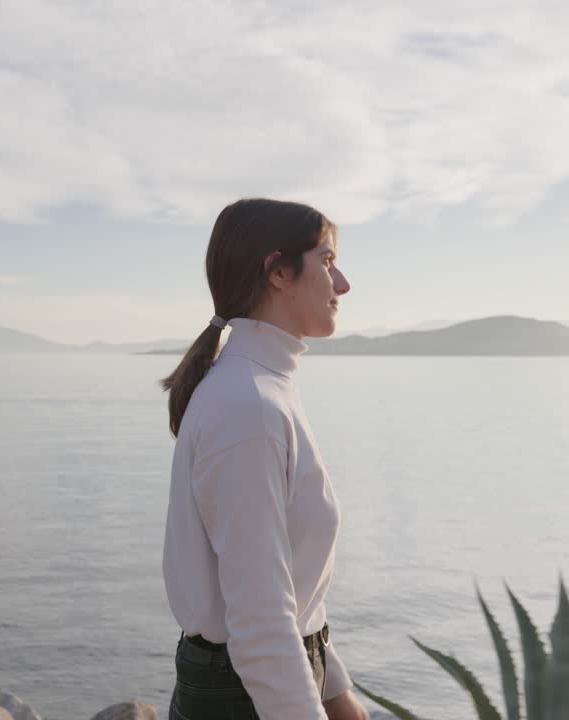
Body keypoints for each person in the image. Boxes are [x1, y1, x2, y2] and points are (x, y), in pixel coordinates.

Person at [160, 198, 368, 720]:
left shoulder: (263, 389)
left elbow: (289, 594)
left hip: (260, 686)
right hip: (247, 699)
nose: (342, 283)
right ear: (279, 272)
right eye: (326, 261)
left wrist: (338, 694)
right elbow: (259, 623)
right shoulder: (248, 408)